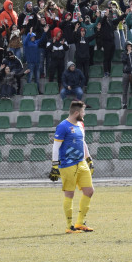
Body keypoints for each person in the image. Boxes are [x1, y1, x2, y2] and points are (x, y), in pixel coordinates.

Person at [47, 100, 95, 233]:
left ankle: (80, 223)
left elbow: (83, 142)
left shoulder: (81, 124)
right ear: (76, 113)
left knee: (89, 191)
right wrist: (55, 165)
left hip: (81, 163)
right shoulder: (63, 126)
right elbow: (56, 146)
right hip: (68, 165)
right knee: (70, 194)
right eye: (83, 111)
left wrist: (89, 159)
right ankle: (69, 226)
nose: (84, 114)